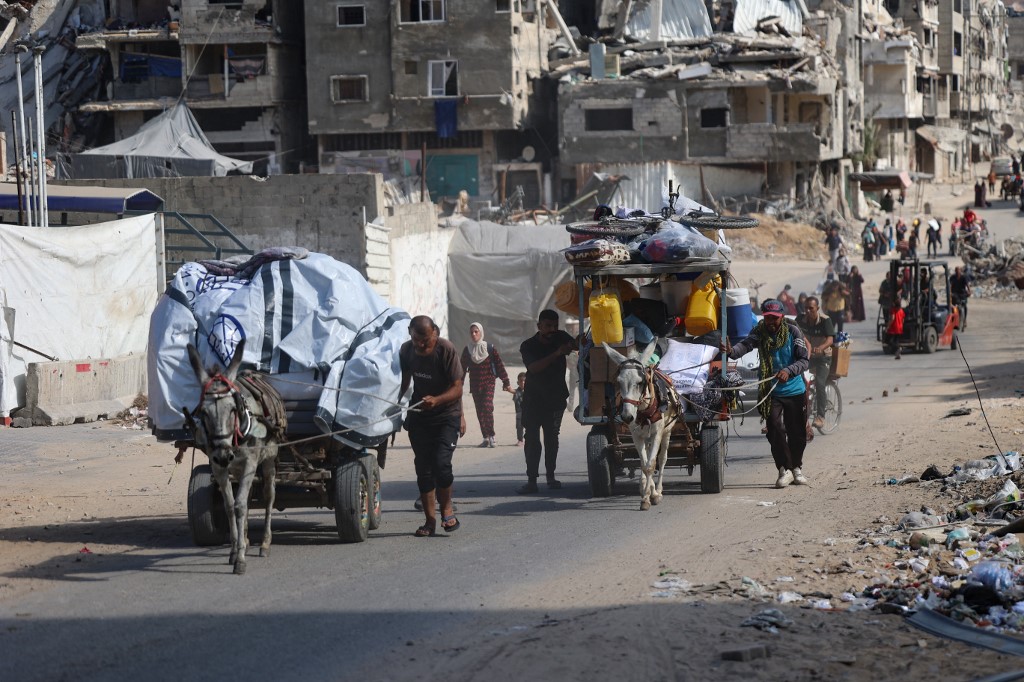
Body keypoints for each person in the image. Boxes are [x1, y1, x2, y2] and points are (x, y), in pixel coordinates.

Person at [724, 299, 810, 488]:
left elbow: (804, 360)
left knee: (797, 433)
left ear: (781, 317)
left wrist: (788, 370)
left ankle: (797, 468)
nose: (771, 322)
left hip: (795, 389)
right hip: (771, 391)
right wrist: (731, 351)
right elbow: (745, 346)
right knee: (774, 429)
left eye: (775, 318)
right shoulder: (759, 332)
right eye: (768, 318)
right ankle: (784, 469)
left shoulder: (793, 332)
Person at [400, 315, 466, 537]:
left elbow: (458, 388)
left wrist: (437, 400)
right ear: (410, 332)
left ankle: (447, 508)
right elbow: (403, 382)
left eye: (425, 340)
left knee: (441, 464)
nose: (420, 345)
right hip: (420, 415)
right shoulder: (406, 350)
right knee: (424, 469)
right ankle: (430, 521)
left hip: (446, 415)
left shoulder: (446, 349)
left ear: (435, 334)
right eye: (417, 339)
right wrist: (394, 409)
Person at [518, 309, 578, 493]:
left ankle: (551, 477)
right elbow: (534, 368)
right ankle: (532, 480)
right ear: (539, 326)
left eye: (555, 325)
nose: (552, 329)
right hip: (533, 399)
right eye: (548, 326)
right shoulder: (528, 345)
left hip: (555, 399)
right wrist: (558, 353)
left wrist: (580, 340)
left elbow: (578, 345)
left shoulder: (560, 336)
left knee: (552, 439)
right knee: (532, 440)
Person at [460, 322, 512, 448]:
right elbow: (462, 369)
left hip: (489, 382)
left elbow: (499, 365)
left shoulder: (489, 348)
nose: (473, 334)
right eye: (471, 332)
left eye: (476, 331)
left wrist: (506, 381)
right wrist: (458, 384)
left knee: (487, 407)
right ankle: (486, 437)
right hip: (475, 384)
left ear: (481, 332)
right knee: (479, 411)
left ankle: (492, 435)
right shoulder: (467, 350)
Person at [797, 296, 835, 431]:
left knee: (820, 383)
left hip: (823, 357)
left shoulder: (825, 320)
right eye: (805, 308)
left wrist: (821, 347)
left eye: (811, 308)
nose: (807, 311)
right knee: (796, 379)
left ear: (817, 308)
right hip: (808, 356)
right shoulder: (800, 320)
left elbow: (830, 339)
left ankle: (820, 417)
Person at [951, 266, 971, 331]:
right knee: (954, 307)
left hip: (962, 293)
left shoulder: (963, 277)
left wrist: (969, 291)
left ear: (960, 271)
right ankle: (954, 320)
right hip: (955, 294)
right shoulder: (952, 277)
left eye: (958, 271)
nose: (957, 272)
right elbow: (950, 285)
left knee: (964, 306)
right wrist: (950, 293)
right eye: (956, 271)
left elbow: (967, 285)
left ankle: (964, 320)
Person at [512, 372, 526, 446]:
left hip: (529, 412)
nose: (523, 383)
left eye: (524, 381)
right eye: (521, 381)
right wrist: (507, 388)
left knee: (530, 427)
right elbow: (512, 391)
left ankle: (529, 439)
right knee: (519, 427)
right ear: (518, 382)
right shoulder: (517, 391)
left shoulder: (530, 391)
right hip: (519, 412)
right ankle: (520, 440)